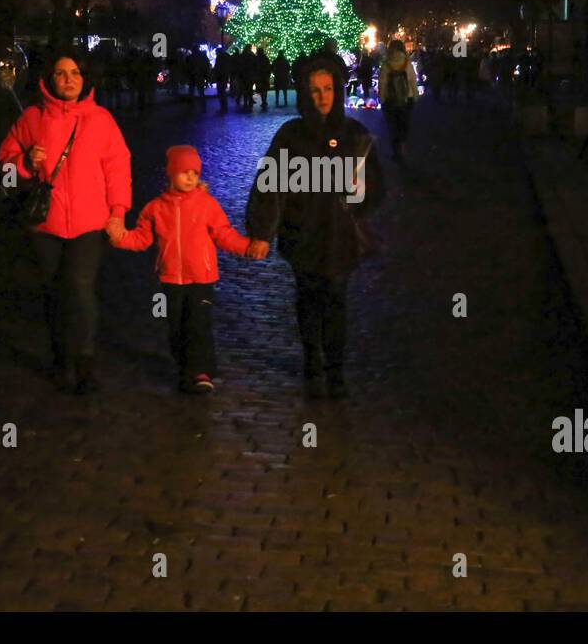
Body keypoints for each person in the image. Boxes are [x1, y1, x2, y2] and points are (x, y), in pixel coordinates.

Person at [245, 52, 386, 399]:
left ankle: (335, 370)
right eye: (315, 90)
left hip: (340, 236)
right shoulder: (291, 136)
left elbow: (375, 184)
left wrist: (360, 197)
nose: (322, 96)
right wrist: (263, 231)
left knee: (336, 299)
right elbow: (269, 185)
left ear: (337, 90)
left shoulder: (354, 134)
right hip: (303, 235)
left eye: (328, 89)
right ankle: (312, 358)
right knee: (308, 300)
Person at [0, 55, 132, 394]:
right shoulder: (32, 118)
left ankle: (85, 363)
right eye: (60, 73)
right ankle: (61, 358)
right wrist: (25, 162)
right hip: (46, 223)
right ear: (49, 79)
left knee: (80, 286)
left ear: (84, 78)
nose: (68, 80)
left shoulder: (101, 120)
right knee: (55, 290)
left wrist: (118, 211)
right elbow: (4, 165)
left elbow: (118, 167)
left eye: (74, 73)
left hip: (90, 222)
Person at [112, 145, 259, 393]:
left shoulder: (206, 205)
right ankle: (184, 368)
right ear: (171, 174)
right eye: (185, 172)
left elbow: (223, 234)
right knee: (176, 325)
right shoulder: (155, 208)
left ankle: (201, 371)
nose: (191, 177)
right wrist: (120, 238)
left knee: (199, 324)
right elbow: (142, 239)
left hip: (201, 277)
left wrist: (246, 247)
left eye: (195, 173)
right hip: (170, 278)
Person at [379, 39, 418, 162]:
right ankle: (403, 145)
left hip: (390, 100)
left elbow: (382, 83)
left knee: (393, 125)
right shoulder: (407, 63)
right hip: (407, 98)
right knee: (404, 123)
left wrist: (382, 98)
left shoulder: (386, 64)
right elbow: (412, 80)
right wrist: (415, 95)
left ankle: (396, 151)